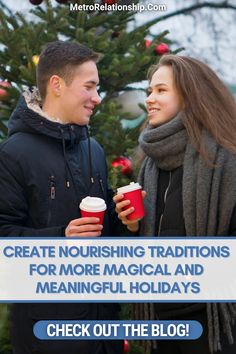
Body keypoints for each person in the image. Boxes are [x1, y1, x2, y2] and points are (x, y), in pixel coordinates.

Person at [0, 41, 123, 354]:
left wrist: (126, 220)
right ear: (56, 85)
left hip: (103, 333)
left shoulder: (93, 150)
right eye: (89, 87)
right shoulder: (13, 154)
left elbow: (106, 237)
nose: (97, 98)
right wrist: (61, 237)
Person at [114, 54, 236, 354]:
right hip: (160, 324)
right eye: (149, 92)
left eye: (161, 90)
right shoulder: (150, 165)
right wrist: (132, 227)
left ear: (190, 93)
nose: (150, 99)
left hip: (213, 326)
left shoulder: (226, 161)